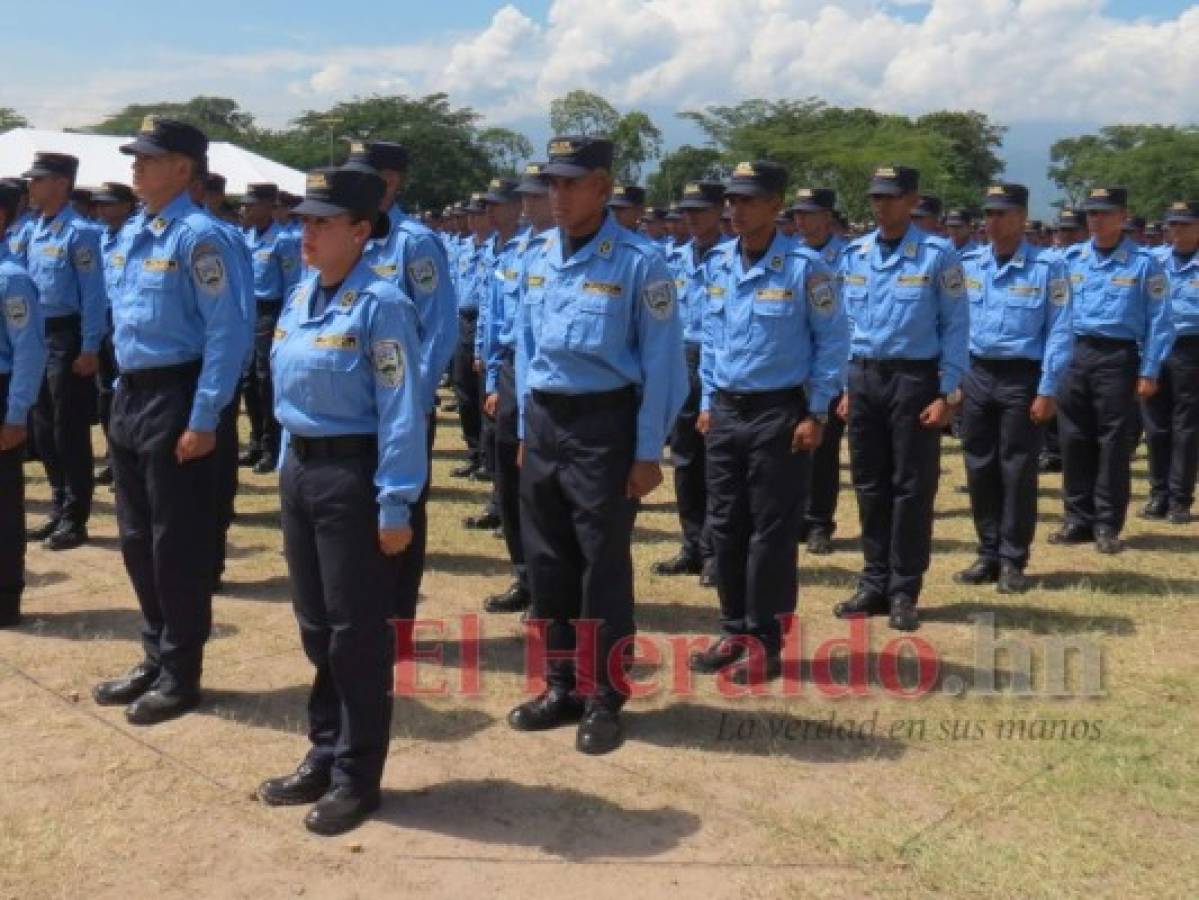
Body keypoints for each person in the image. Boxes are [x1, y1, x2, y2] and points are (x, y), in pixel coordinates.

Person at [256, 164, 426, 837]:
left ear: (361, 232)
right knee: (315, 626)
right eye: (304, 221)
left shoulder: (381, 306)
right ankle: (323, 751)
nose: (309, 232)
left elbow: (403, 408)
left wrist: (395, 504)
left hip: (353, 479)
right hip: (302, 472)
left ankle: (358, 777)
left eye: (324, 222)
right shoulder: (301, 296)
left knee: (357, 634)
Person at [510, 135, 686, 754]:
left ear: (603, 187)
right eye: (550, 184)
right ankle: (560, 684)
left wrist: (646, 452)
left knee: (600, 566)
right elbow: (526, 347)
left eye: (570, 183)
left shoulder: (640, 263)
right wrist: (528, 431)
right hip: (547, 422)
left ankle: (604, 695)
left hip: (605, 428)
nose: (555, 195)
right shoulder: (536, 256)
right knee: (547, 563)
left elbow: (664, 365)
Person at [91, 117, 247, 725]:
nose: (135, 167)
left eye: (148, 159)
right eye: (135, 158)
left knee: (175, 542)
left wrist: (205, 415)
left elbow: (227, 332)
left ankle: (182, 672)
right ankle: (154, 654)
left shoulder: (201, 237)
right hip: (132, 394)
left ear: (183, 169)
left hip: (179, 395)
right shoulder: (137, 232)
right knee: (136, 539)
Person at [691, 162, 848, 682]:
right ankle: (732, 627)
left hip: (780, 412)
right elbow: (711, 339)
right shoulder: (717, 265)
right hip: (727, 411)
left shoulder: (805, 269)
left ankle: (765, 641)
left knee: (771, 534)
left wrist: (817, 410)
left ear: (775, 206)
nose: (735, 210)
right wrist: (710, 398)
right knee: (725, 526)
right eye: (731, 201)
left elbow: (832, 343)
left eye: (748, 201)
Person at [833, 165, 968, 632]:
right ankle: (873, 582)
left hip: (914, 380)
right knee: (869, 485)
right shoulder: (855, 254)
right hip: (865, 377)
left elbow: (956, 326)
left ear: (912, 200)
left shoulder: (937, 255)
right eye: (876, 197)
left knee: (911, 487)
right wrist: (845, 385)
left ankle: (904, 589)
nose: (880, 205)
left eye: (890, 197)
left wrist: (949, 392)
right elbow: (843, 326)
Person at [345, 140, 456, 620]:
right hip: (352, 406)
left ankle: (397, 619)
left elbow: (438, 325)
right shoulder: (350, 233)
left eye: (364, 175)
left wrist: (418, 396)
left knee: (401, 509)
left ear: (390, 181)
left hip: (401, 406)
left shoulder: (414, 241)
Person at [954, 184, 1072, 593]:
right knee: (979, 466)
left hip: (1023, 377)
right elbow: (952, 325)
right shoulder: (968, 265)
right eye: (988, 213)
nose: (993, 221)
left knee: (1017, 469)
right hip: (977, 373)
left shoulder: (1048, 268)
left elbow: (1060, 330)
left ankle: (1012, 559)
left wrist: (1048, 388)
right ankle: (987, 551)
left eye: (1002, 213)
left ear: (1022, 218)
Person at [1050, 187, 1173, 554]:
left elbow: (1160, 321)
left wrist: (1149, 370)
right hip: (1075, 355)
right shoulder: (1069, 260)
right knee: (1073, 439)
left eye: (1105, 213)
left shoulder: (1144, 263)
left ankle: (1106, 524)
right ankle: (1077, 518)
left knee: (1114, 444)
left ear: (1123, 216)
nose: (1097, 220)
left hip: (1118, 359)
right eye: (1092, 214)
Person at [19, 152, 105, 550]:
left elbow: (93, 296)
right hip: (35, 336)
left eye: (38, 180)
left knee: (67, 428)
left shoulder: (81, 233)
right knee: (41, 426)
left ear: (60, 184)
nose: (31, 187)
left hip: (66, 336)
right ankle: (56, 504)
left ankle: (75, 516)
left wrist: (89, 347)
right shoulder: (32, 230)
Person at [479, 168, 549, 615]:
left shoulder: (551, 253)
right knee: (508, 479)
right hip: (510, 370)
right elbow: (498, 319)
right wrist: (490, 379)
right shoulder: (515, 252)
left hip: (550, 375)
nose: (527, 204)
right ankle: (523, 573)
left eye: (534, 196)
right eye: (522, 196)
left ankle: (549, 583)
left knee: (540, 487)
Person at [652, 181, 728, 583]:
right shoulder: (672, 260)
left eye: (701, 210)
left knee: (715, 461)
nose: (692, 218)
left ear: (720, 212)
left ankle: (716, 550)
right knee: (684, 459)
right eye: (688, 211)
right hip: (680, 361)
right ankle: (692, 543)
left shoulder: (732, 259)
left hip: (717, 363)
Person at [790, 186, 850, 555]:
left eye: (810, 213)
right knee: (788, 448)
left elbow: (853, 317)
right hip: (791, 366)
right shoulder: (788, 256)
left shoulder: (848, 258)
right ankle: (793, 515)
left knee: (824, 450)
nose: (802, 220)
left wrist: (844, 377)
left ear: (828, 216)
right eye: (798, 213)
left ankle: (818, 523)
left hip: (829, 365)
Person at [0, 181, 47, 628]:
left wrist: (16, 415)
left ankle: (5, 596)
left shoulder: (11, 278)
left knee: (3, 507)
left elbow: (29, 351)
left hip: (2, 392)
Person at [1140, 200, 1199, 525]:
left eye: (1185, 224)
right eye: (1172, 225)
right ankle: (1158, 493)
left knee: (1186, 428)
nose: (1177, 231)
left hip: (1192, 350)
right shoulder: (1154, 261)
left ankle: (1180, 499)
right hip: (1155, 349)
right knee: (1156, 426)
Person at [241, 182, 301, 473]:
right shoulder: (246, 237)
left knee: (267, 381)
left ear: (268, 205)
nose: (246, 209)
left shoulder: (283, 240)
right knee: (248, 380)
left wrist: (286, 324)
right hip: (247, 312)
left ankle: (271, 445)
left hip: (270, 313)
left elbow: (292, 286)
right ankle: (255, 441)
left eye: (252, 204)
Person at [93, 181, 137, 487]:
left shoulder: (135, 237)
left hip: (127, 324)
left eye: (109, 203)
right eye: (100, 204)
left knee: (128, 393)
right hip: (104, 322)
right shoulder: (101, 237)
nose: (102, 209)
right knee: (106, 395)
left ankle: (129, 456)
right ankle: (114, 455)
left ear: (127, 205)